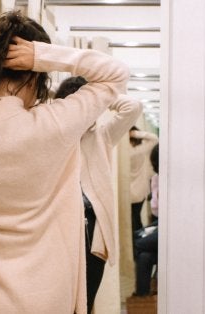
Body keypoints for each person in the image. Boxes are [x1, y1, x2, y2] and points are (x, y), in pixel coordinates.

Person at [0, 11, 129, 314]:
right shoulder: (54, 124)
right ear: (36, 73)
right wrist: (40, 54)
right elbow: (115, 74)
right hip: (45, 295)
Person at [54, 76, 142, 313]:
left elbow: (133, 107)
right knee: (59, 300)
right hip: (59, 230)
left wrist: (98, 95)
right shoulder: (53, 137)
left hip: (92, 229)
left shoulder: (102, 135)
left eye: (86, 106)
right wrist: (61, 97)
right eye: (75, 106)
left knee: (87, 299)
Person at [133, 143, 159, 297]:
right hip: (161, 223)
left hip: (176, 228)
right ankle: (142, 302)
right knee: (143, 257)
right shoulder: (156, 179)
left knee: (136, 245)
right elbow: (156, 210)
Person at [128, 126, 158, 256]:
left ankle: (136, 247)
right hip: (140, 193)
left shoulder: (126, 153)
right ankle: (138, 245)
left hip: (128, 194)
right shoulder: (141, 150)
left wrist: (128, 133)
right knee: (136, 219)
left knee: (132, 222)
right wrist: (136, 133)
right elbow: (154, 138)